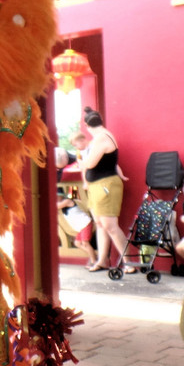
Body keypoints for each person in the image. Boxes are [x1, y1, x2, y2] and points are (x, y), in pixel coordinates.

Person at [79, 107, 132, 272]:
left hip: (105, 185)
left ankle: (129, 262)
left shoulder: (101, 138)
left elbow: (90, 163)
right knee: (100, 224)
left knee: (110, 225)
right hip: (96, 185)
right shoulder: (100, 137)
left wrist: (81, 162)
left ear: (87, 126)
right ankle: (102, 260)